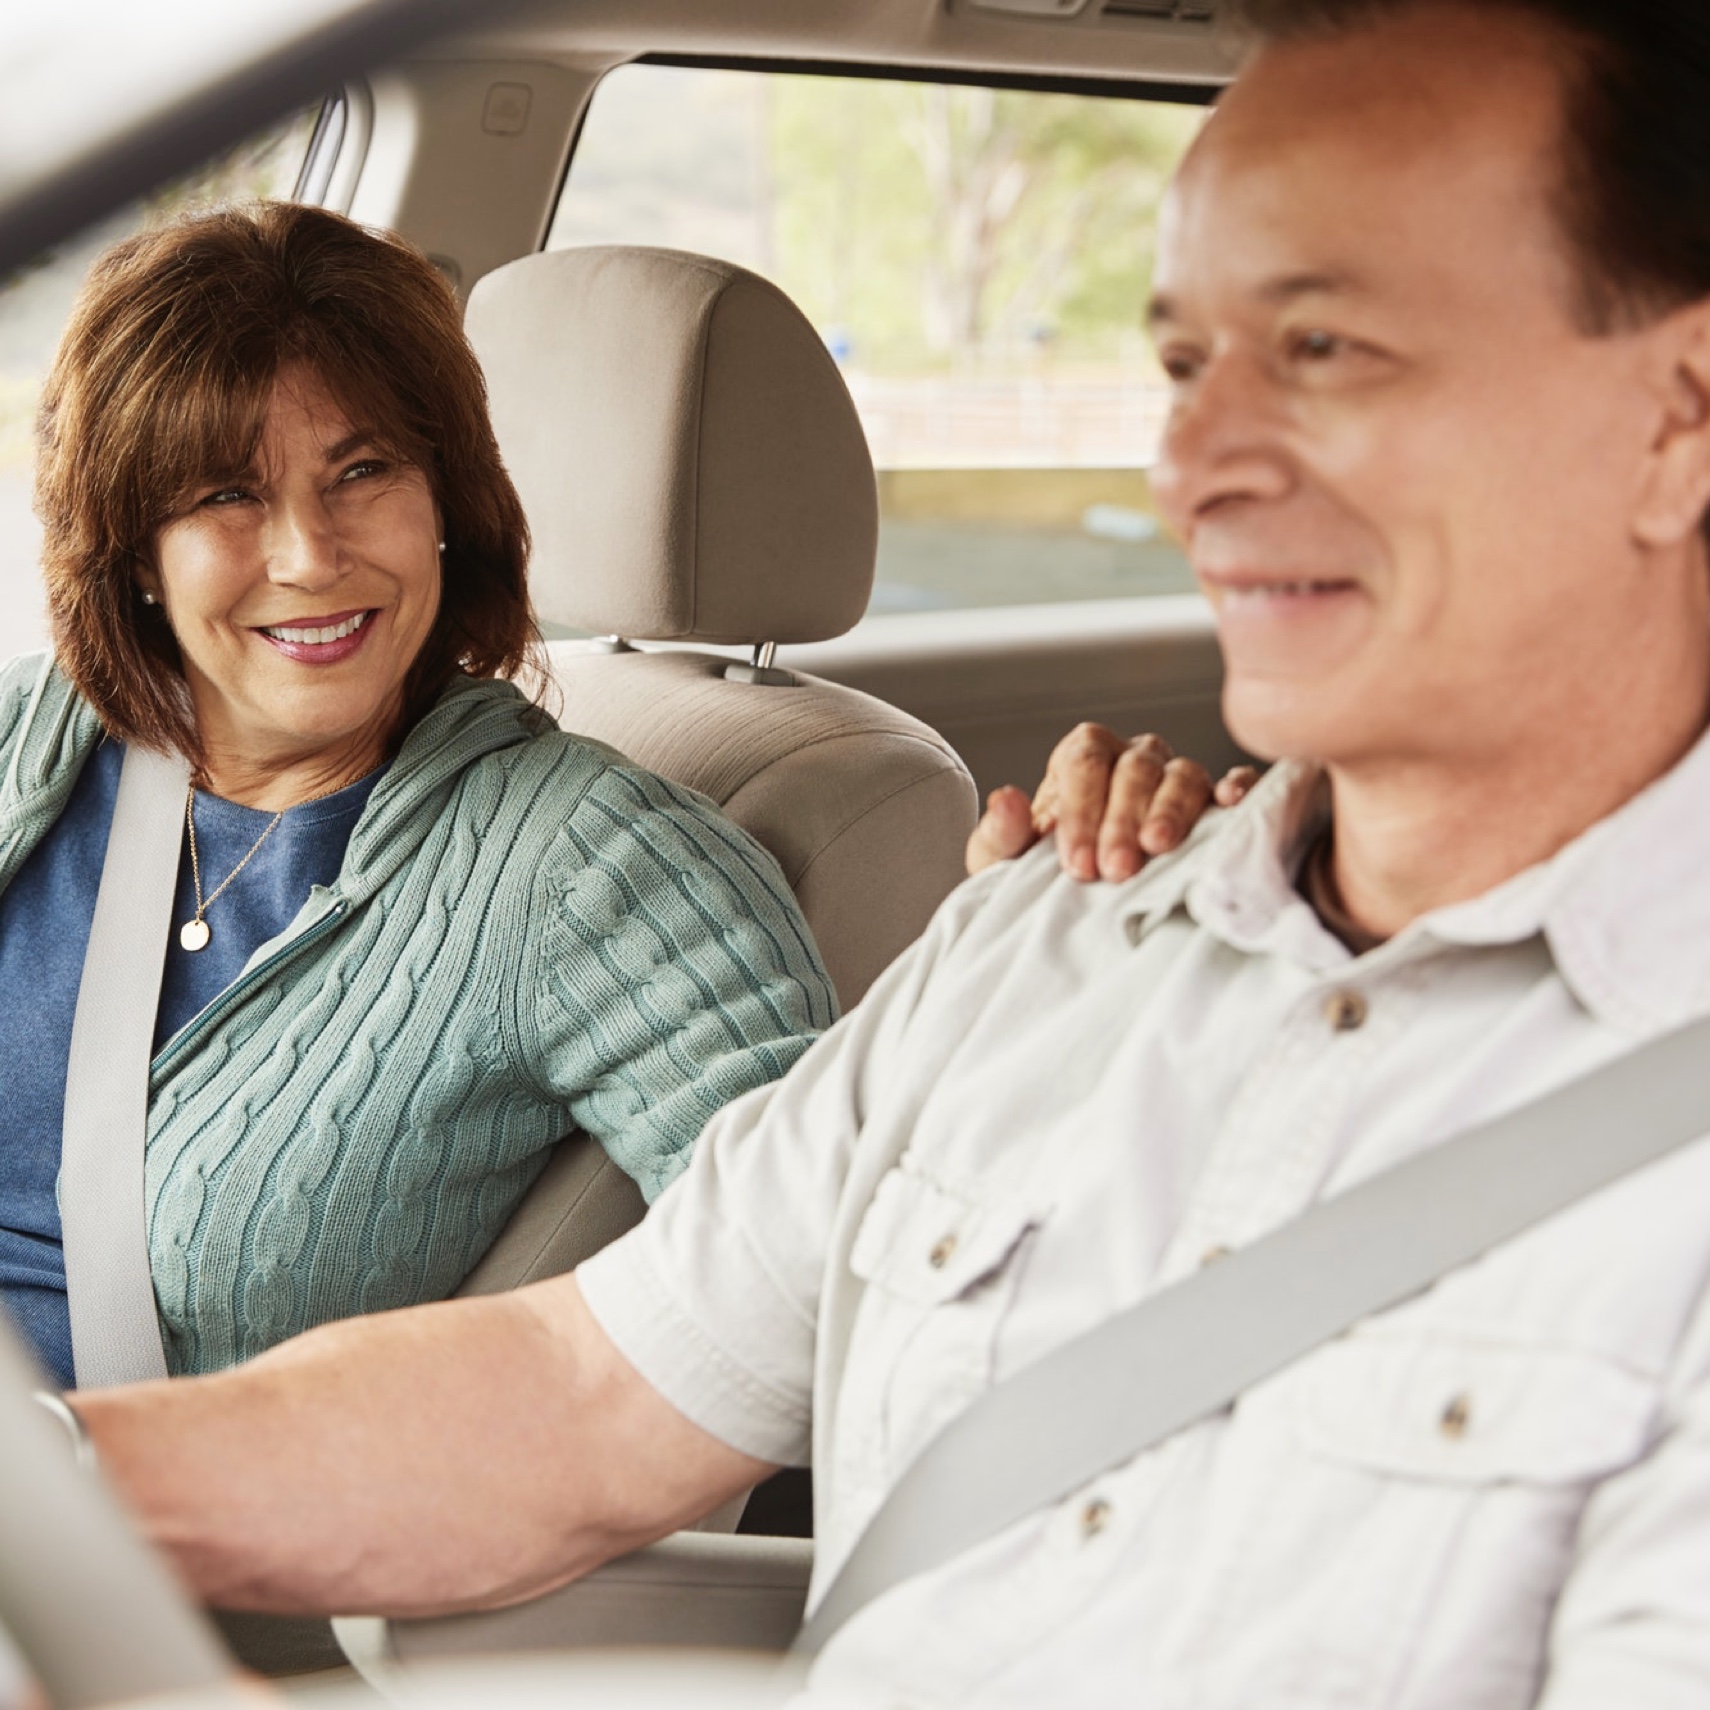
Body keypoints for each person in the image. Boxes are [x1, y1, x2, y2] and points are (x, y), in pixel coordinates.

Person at [70, 0, 1710, 1702]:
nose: (1189, 468)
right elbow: (580, 1396)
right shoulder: (1042, 949)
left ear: (1676, 419)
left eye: (1326, 351)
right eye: (1179, 365)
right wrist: (46, 1483)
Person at [1, 201, 838, 1389]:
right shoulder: (28, 738)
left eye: (364, 470)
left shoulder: (593, 868)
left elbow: (850, 1283)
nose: (308, 553)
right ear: (136, 550)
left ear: (447, 499)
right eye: (224, 495)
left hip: (113, 1547)